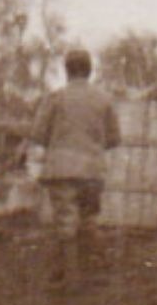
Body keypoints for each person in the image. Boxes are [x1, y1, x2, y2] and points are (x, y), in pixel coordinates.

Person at [31, 48, 121, 289]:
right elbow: (114, 139)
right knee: (88, 220)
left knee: (66, 221)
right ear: (89, 71)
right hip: (92, 171)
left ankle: (70, 278)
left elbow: (38, 134)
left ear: (67, 70)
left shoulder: (55, 97)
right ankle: (92, 270)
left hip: (61, 169)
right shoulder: (104, 99)